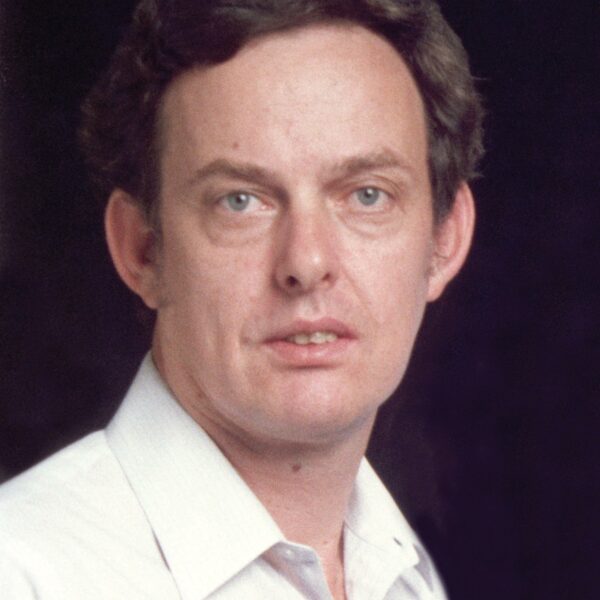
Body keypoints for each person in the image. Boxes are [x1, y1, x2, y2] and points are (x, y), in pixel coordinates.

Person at [0, 0, 483, 598]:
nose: (306, 263)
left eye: (367, 195)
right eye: (240, 201)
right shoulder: (22, 572)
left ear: (444, 240)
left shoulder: (408, 580)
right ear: (143, 250)